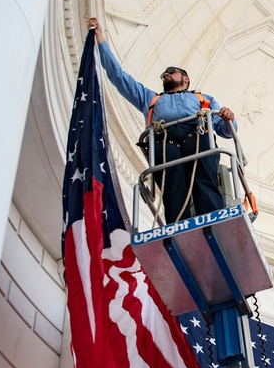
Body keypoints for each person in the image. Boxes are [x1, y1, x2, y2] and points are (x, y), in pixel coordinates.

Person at [88, 17, 236, 222]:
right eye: (164, 74)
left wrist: (229, 118)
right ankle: (178, 227)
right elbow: (119, 77)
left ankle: (215, 221)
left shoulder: (203, 99)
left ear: (186, 79)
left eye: (171, 72)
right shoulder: (150, 99)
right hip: (165, 142)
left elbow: (224, 130)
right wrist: (100, 39)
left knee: (204, 179)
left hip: (197, 137)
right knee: (173, 188)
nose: (165, 74)